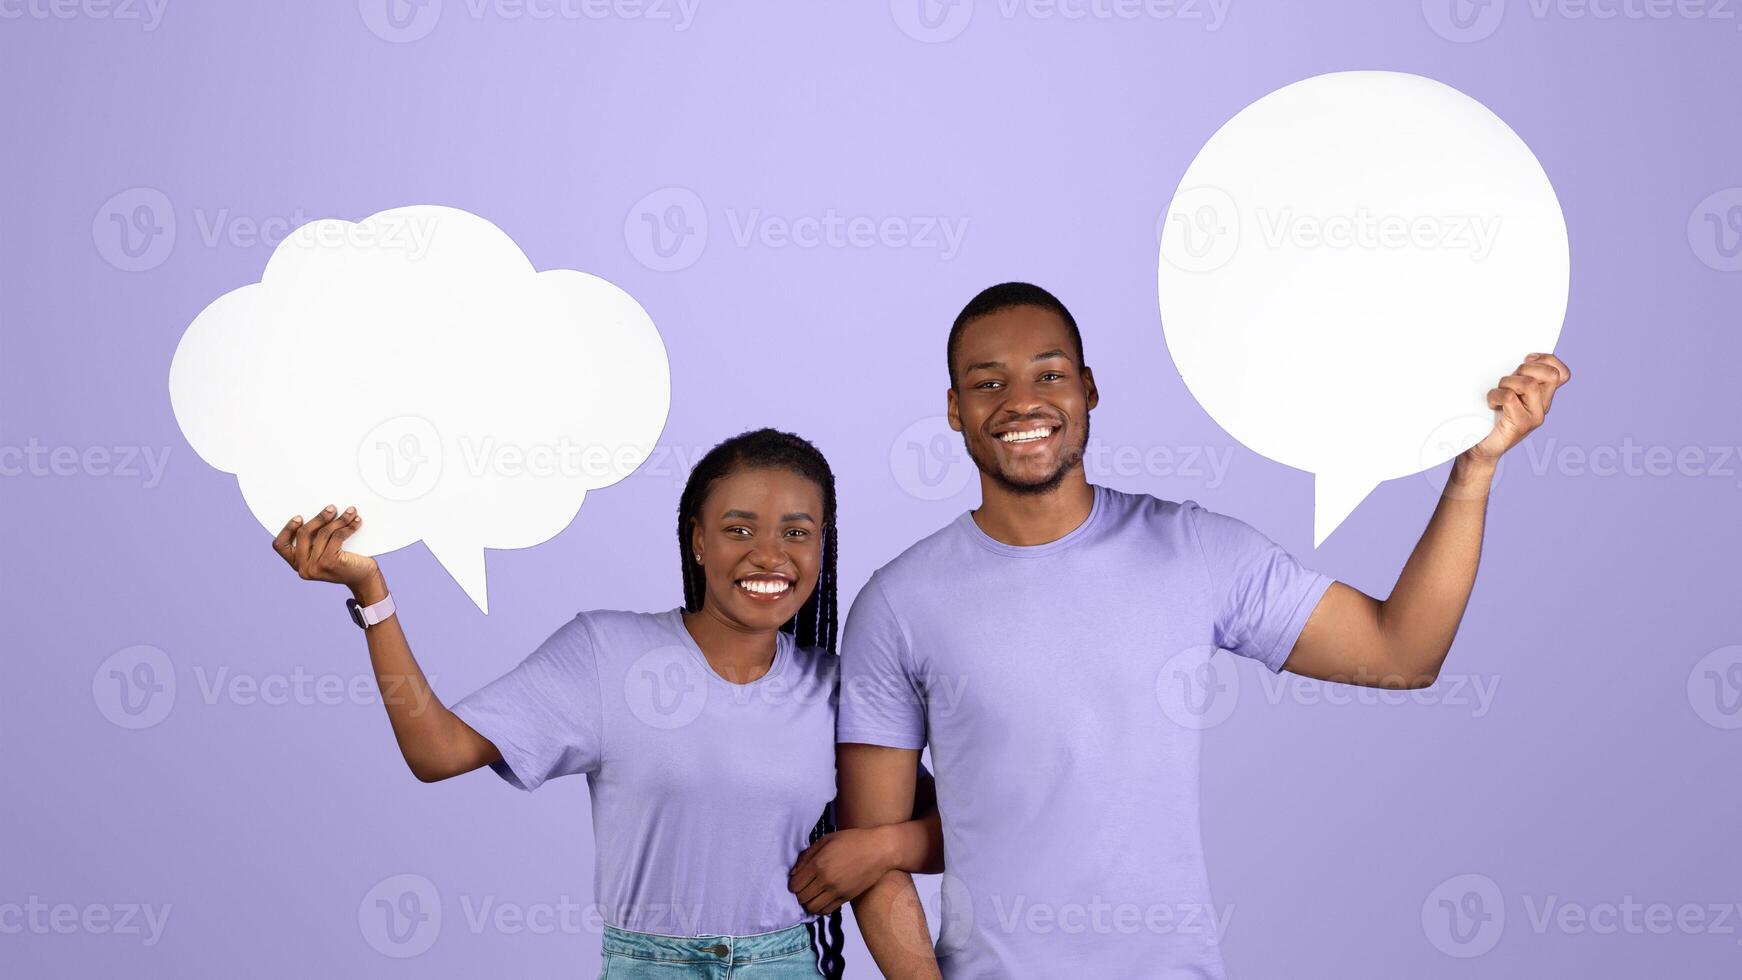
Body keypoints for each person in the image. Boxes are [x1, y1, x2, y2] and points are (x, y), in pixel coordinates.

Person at [836, 282, 1571, 978]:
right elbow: (872, 859)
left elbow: (1401, 653)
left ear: (1089, 389)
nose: (1022, 402)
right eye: (988, 383)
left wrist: (1474, 470)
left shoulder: (1194, 551)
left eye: (1049, 375)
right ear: (955, 408)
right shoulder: (899, 604)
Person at [273, 428, 943, 978]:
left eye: (797, 533)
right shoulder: (606, 653)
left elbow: (963, 832)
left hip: (785, 965)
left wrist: (883, 847)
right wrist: (373, 595)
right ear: (698, 539)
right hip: (647, 967)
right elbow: (436, 751)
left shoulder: (839, 690)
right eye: (740, 530)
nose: (770, 554)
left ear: (821, 547)